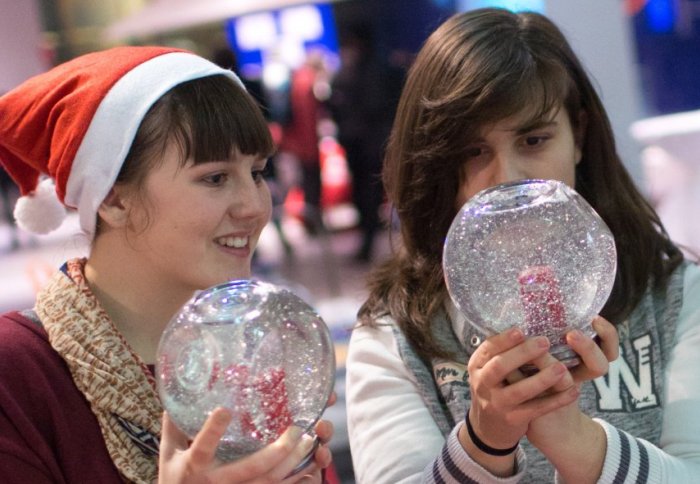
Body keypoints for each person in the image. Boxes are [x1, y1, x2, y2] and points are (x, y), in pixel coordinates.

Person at [345, 8, 700, 483]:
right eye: (472, 152)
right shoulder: (395, 334)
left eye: (533, 140)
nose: (506, 179)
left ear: (579, 135)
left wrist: (576, 441)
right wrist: (485, 442)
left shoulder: (677, 295)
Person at [0, 46, 333, 483]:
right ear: (114, 199)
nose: (254, 206)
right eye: (215, 178)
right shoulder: (18, 372)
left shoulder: (264, 351)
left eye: (257, 172)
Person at [329, 21, 402, 261]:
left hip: (370, 144)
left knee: (371, 195)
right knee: (368, 195)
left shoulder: (368, 69)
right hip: (366, 143)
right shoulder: (367, 68)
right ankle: (370, 241)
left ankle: (370, 243)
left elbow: (372, 104)